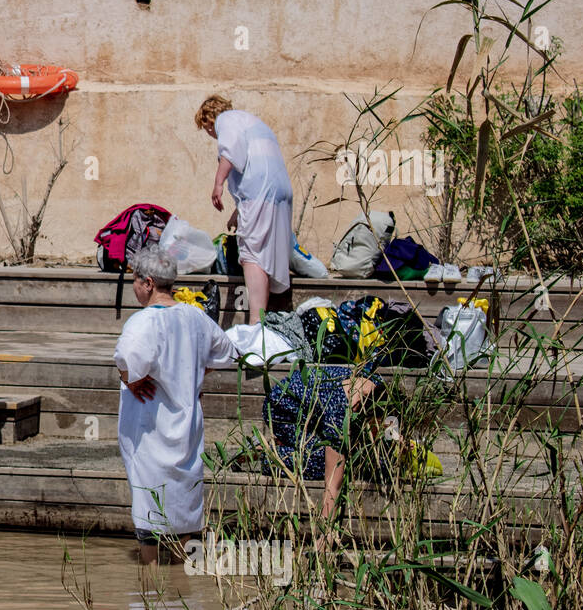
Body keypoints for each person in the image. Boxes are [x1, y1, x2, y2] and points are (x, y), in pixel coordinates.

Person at [114, 247, 237, 564]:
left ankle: (149, 584)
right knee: (185, 500)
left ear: (148, 282)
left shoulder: (143, 322)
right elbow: (225, 353)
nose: (135, 288)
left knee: (149, 504)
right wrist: (194, 375)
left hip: (149, 424)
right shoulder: (195, 316)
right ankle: (189, 578)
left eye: (135, 281)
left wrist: (130, 380)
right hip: (186, 422)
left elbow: (128, 360)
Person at [197, 95, 294, 322]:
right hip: (278, 192)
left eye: (207, 128)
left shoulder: (226, 120)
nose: (210, 134)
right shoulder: (250, 121)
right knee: (265, 252)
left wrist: (218, 184)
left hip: (261, 193)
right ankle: (263, 318)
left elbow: (231, 152)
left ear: (210, 119)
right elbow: (255, 166)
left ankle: (255, 322)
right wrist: (239, 210)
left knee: (252, 254)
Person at [261, 365, 386, 524]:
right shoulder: (340, 414)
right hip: (283, 409)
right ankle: (270, 455)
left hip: (310, 401)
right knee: (325, 460)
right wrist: (326, 533)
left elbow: (389, 423)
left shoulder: (378, 388)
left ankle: (280, 443)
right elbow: (333, 483)